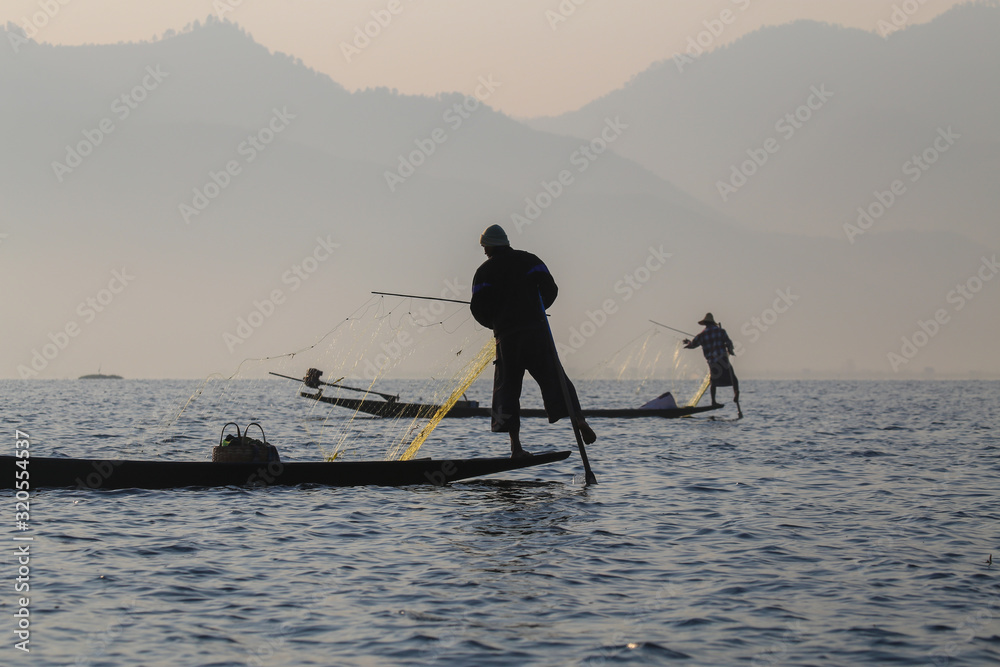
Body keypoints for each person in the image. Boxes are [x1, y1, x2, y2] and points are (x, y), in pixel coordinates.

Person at [470, 224, 597, 458]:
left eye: (484, 247)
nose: (484, 251)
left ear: (489, 246)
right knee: (555, 377)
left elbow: (477, 308)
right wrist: (538, 310)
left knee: (507, 390)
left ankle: (516, 448)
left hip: (508, 339)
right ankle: (578, 419)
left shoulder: (484, 271)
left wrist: (496, 323)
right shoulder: (530, 261)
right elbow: (550, 289)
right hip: (537, 332)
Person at [683, 313, 741, 415]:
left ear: (705, 323)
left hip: (712, 362)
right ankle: (736, 393)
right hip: (723, 359)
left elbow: (692, 345)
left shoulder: (701, 335)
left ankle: (713, 401)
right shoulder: (721, 331)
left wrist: (687, 342)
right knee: (733, 378)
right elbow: (729, 343)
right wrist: (730, 350)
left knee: (713, 382)